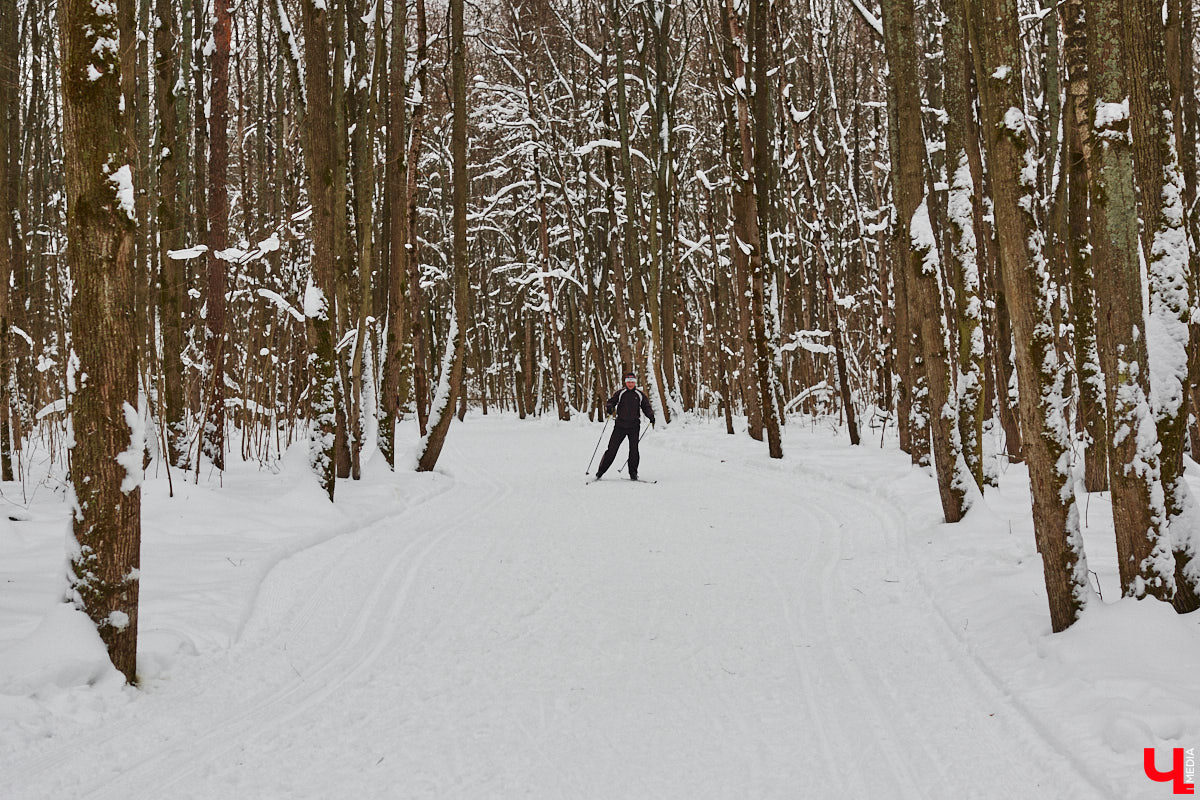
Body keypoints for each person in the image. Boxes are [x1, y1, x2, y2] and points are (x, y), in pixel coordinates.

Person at [594, 372, 655, 480]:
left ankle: (633, 473)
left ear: (635, 383)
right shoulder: (620, 393)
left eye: (632, 382)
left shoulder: (639, 394)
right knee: (612, 449)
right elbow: (611, 402)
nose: (630, 384)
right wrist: (609, 407)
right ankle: (601, 471)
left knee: (634, 450)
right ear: (625, 383)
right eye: (628, 382)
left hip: (634, 427)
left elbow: (646, 406)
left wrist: (651, 416)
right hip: (620, 426)